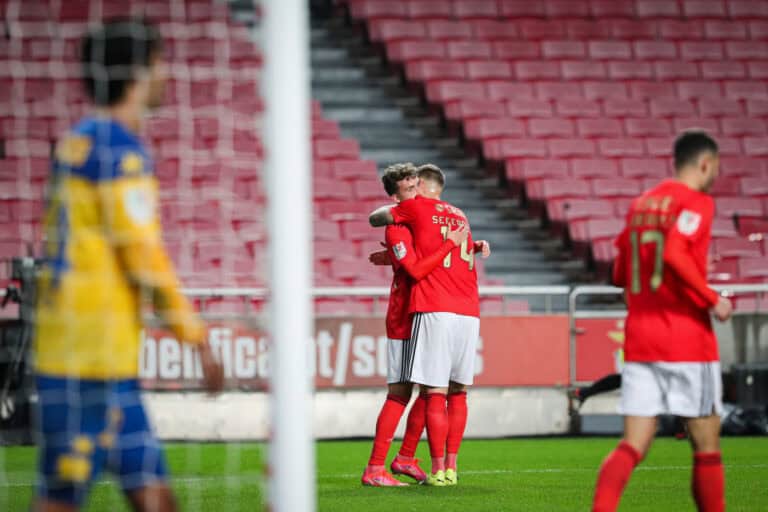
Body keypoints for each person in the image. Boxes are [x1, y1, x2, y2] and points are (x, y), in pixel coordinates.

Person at [32, 19, 223, 512]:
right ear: (138, 72)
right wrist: (194, 335)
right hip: (85, 361)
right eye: (159, 64)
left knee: (155, 499)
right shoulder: (121, 152)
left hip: (95, 356)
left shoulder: (79, 141)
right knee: (61, 500)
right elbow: (141, 257)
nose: (166, 76)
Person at [591, 131, 733, 512]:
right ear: (705, 164)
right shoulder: (698, 202)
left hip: (641, 340)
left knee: (632, 446)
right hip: (686, 340)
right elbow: (673, 251)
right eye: (716, 169)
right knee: (706, 448)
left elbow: (619, 271)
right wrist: (712, 298)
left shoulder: (641, 204)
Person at [369, 164, 490, 486]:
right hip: (406, 315)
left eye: (414, 181)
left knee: (426, 391)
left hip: (426, 310)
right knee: (400, 392)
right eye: (407, 184)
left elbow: (436, 252)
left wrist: (471, 246)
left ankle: (406, 458)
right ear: (397, 196)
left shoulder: (424, 216)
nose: (413, 186)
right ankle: (375, 467)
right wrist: (450, 245)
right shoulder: (398, 222)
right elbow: (414, 269)